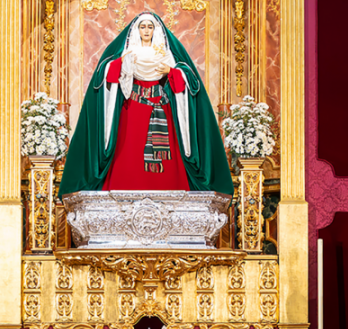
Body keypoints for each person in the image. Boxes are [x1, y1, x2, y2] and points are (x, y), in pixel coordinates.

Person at [58, 11, 233, 195]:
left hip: (161, 108)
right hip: (132, 108)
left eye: (150, 27)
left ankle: (170, 195)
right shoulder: (129, 52)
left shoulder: (166, 53)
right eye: (143, 27)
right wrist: (122, 63)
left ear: (155, 30)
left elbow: (189, 77)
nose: (146, 31)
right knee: (129, 154)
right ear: (137, 30)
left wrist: (171, 72)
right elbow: (105, 71)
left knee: (168, 160)